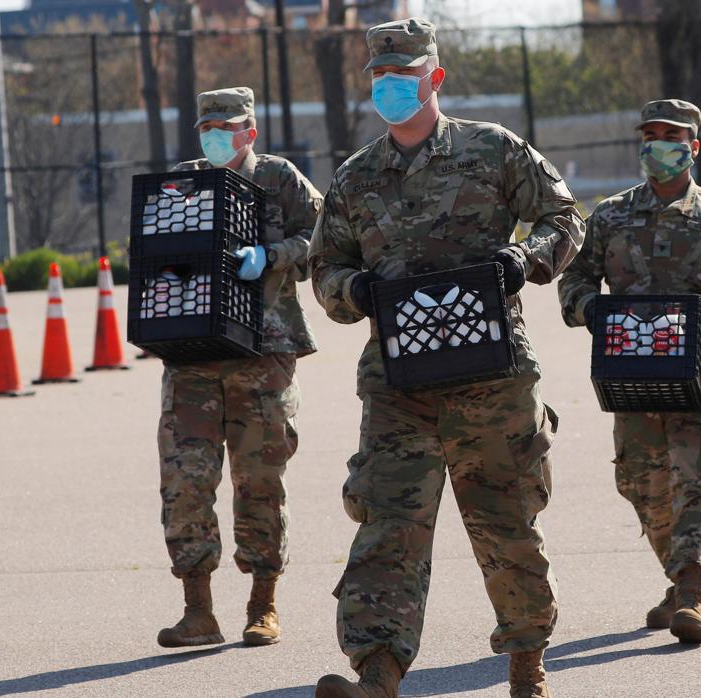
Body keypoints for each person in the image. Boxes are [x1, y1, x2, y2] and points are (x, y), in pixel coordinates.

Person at [307, 18, 583, 698]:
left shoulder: (493, 151)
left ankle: (526, 663)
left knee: (503, 517)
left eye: (405, 75)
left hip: (492, 376)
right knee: (387, 525)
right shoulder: (356, 176)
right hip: (400, 384)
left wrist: (526, 259)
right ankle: (377, 671)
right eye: (382, 77)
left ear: (435, 77)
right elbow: (324, 269)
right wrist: (354, 290)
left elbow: (564, 217)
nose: (393, 86)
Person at [557, 99, 701, 645]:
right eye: (651, 135)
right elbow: (574, 281)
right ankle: (677, 577)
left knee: (697, 475)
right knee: (642, 482)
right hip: (628, 368)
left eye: (671, 136)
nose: (659, 145)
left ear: (693, 147)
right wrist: (594, 310)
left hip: (700, 371)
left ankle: (692, 593)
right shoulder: (608, 217)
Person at [156, 86, 322, 649]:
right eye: (206, 127)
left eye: (225, 128)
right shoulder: (184, 179)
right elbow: (157, 242)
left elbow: (324, 238)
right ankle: (197, 610)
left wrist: (271, 255)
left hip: (264, 353)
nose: (213, 136)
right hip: (193, 355)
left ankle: (263, 604)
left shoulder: (279, 179)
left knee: (260, 480)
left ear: (249, 132)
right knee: (185, 479)